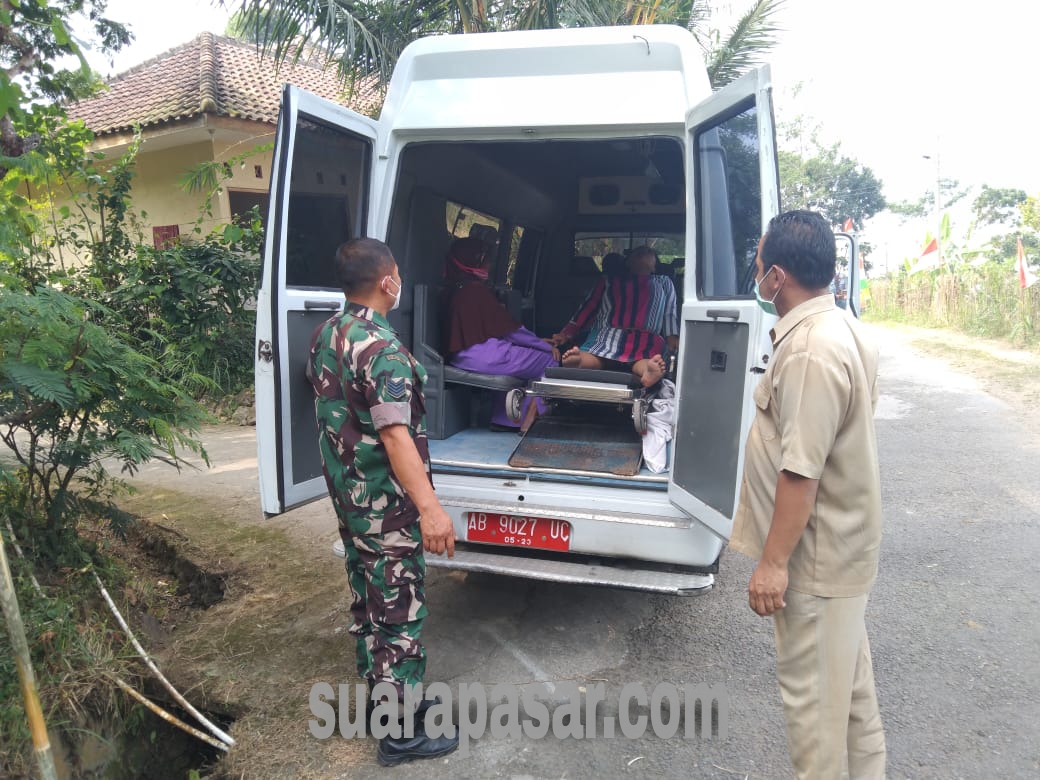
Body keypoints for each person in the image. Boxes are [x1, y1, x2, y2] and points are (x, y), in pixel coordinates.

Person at [730, 210, 886, 779]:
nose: (755, 275)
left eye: (757, 265)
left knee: (816, 722)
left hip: (817, 564)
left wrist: (773, 565)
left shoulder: (811, 349)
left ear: (776, 275)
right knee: (850, 707)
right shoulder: (842, 328)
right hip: (842, 553)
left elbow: (802, 471)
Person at [307, 238, 459, 766]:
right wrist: (432, 508)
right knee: (400, 607)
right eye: (396, 272)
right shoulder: (382, 348)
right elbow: (395, 437)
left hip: (351, 499)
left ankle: (385, 700)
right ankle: (401, 733)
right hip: (386, 506)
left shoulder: (328, 333)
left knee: (371, 596)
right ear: (387, 280)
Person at [441, 237, 556, 432]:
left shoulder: (454, 288)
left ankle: (504, 421)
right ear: (475, 262)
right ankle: (531, 420)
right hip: (483, 357)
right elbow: (511, 332)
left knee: (516, 360)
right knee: (549, 362)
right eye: (485, 260)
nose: (489, 265)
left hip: (460, 356)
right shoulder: (475, 291)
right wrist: (547, 347)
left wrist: (535, 342)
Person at [550, 246, 678, 387]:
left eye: (649, 252)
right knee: (597, 357)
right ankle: (579, 362)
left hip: (644, 338)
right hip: (608, 334)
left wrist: (671, 336)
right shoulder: (608, 280)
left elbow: (669, 312)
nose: (643, 251)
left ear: (655, 267)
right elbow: (588, 307)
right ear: (628, 263)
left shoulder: (664, 282)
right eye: (637, 252)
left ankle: (648, 371)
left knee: (643, 361)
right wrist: (567, 333)